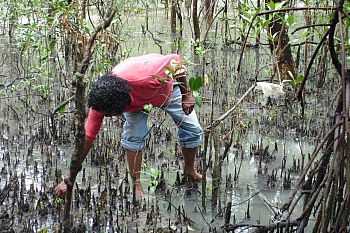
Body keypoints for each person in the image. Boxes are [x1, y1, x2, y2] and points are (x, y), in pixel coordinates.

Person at [54, 53, 203, 199]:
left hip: (165, 90)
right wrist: (68, 178)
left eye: (108, 113)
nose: (105, 116)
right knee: (134, 138)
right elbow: (87, 138)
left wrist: (186, 94)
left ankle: (190, 171)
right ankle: (136, 185)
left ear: (119, 104)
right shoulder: (102, 101)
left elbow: (175, 60)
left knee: (193, 130)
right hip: (135, 101)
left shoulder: (146, 78)